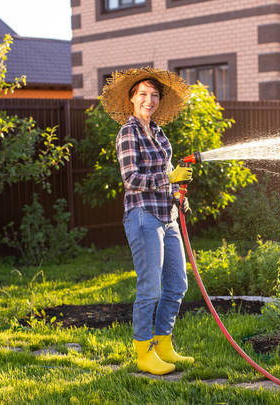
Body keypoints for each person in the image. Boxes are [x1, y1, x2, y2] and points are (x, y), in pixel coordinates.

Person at [100, 68, 194, 375]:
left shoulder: (159, 132)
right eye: (142, 94)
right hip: (143, 217)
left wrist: (178, 191)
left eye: (154, 95)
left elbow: (165, 177)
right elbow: (132, 179)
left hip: (167, 216)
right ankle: (143, 352)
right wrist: (169, 176)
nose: (149, 100)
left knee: (177, 284)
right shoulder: (129, 132)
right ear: (131, 99)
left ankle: (163, 343)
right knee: (150, 288)